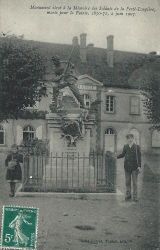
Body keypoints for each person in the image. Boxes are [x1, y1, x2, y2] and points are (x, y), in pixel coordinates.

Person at [117, 134, 141, 202]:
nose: (130, 140)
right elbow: (123, 154)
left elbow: (139, 157)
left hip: (134, 167)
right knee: (127, 182)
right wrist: (116, 156)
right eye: (128, 138)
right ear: (127, 139)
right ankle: (128, 195)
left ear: (133, 138)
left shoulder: (137, 147)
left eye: (131, 138)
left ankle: (135, 197)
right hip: (127, 167)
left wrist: (139, 166)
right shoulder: (125, 146)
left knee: (135, 182)